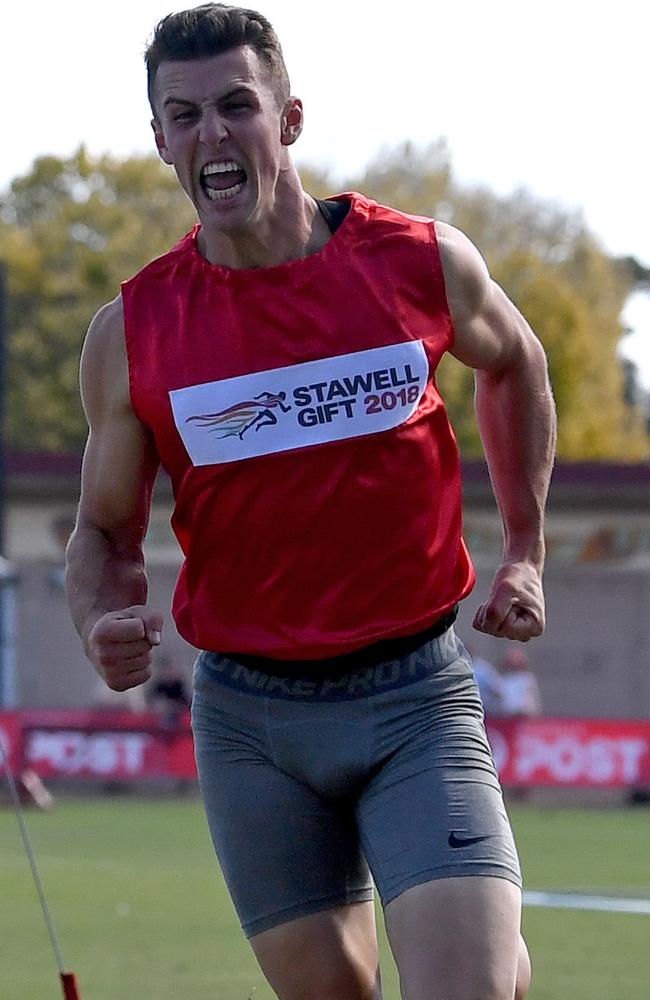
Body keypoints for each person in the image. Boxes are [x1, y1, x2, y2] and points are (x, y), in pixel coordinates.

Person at [64, 5, 556, 999]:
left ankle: (487, 959)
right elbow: (103, 531)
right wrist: (97, 618)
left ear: (286, 119)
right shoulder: (135, 331)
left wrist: (526, 550)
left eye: (236, 106)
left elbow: (516, 364)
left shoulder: (416, 261)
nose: (212, 134)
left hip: (413, 692)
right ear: (159, 138)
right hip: (253, 720)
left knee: (465, 990)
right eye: (185, 114)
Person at [498, 648, 542, 718]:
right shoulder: (502, 680)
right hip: (507, 717)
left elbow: (533, 701)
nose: (514, 662)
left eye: (517, 659)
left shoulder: (528, 679)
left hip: (525, 717)